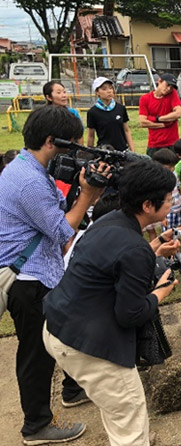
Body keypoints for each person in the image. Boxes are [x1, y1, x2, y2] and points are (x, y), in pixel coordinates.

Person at [42, 160, 180, 446]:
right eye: (168, 200)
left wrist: (152, 248)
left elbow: (113, 263)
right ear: (147, 205)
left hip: (58, 328)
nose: (172, 203)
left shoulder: (110, 219)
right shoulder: (134, 248)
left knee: (115, 407)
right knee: (130, 421)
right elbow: (130, 314)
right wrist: (161, 293)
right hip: (90, 347)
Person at [0, 105, 108, 444]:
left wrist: (81, 191)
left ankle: (72, 388)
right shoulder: (30, 180)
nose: (74, 152)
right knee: (36, 354)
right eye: (70, 145)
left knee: (66, 330)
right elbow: (63, 232)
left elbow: (57, 214)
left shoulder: (24, 165)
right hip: (29, 282)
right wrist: (89, 195)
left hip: (40, 273)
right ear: (51, 141)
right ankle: (36, 426)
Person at [138, 73, 181, 158]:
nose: (168, 89)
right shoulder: (145, 99)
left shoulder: (173, 94)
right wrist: (163, 124)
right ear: (159, 81)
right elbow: (143, 122)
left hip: (171, 143)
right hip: (154, 144)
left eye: (171, 87)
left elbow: (178, 113)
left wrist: (157, 118)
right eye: (167, 85)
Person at [86, 77, 135, 151]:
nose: (109, 91)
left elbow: (126, 130)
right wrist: (90, 152)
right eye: (104, 89)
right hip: (104, 151)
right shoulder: (93, 112)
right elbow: (91, 135)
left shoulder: (120, 108)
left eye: (110, 88)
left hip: (122, 150)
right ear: (97, 92)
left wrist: (132, 149)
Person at [152, 148, 181, 233]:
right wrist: (163, 217)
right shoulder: (158, 181)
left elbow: (178, 187)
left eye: (173, 166)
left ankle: (176, 244)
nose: (173, 169)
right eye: (169, 167)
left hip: (178, 207)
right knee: (168, 233)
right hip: (168, 211)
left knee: (178, 230)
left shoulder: (174, 174)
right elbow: (158, 199)